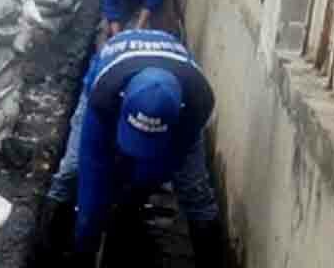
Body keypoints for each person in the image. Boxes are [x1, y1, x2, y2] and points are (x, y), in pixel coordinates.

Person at [40, 29, 223, 267]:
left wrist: (135, 192)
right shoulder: (105, 94)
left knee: (194, 190)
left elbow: (173, 157)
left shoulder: (198, 100)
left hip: (176, 91)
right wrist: (85, 239)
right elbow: (94, 166)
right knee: (72, 170)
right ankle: (47, 247)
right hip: (112, 72)